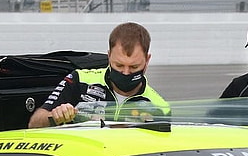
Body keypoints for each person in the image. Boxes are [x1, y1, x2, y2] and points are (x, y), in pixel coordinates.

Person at [28, 22, 169, 128]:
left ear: (147, 60)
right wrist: (55, 116)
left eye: (134, 67)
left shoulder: (159, 107)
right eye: (119, 65)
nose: (125, 72)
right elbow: (34, 123)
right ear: (109, 56)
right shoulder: (79, 80)